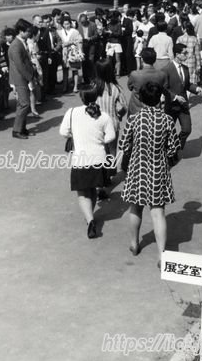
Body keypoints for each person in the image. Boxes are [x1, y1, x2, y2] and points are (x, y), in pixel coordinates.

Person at [118, 82, 181, 263]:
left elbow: (124, 145)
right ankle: (162, 254)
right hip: (159, 168)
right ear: (159, 98)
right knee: (158, 212)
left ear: (142, 99)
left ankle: (134, 243)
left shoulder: (134, 119)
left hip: (137, 168)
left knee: (135, 208)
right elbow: (173, 149)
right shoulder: (167, 120)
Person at [60, 84, 116, 239]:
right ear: (96, 96)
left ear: (81, 97)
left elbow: (63, 132)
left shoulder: (71, 112)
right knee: (92, 188)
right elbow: (111, 136)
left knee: (83, 192)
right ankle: (90, 216)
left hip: (80, 159)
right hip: (99, 158)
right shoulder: (104, 116)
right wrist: (99, 141)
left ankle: (90, 220)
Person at [163, 42, 202, 150]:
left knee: (187, 129)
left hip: (183, 106)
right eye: (184, 53)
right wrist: (175, 97)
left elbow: (187, 85)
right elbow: (164, 88)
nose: (187, 55)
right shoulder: (166, 69)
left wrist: (196, 89)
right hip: (171, 106)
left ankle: (176, 147)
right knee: (167, 132)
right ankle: (167, 152)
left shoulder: (185, 69)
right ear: (177, 54)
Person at [94, 57, 127, 194]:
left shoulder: (93, 86)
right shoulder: (116, 88)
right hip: (112, 124)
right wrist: (119, 115)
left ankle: (100, 178)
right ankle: (109, 174)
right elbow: (123, 107)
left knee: (98, 151)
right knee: (111, 151)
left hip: (96, 125)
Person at [127, 48, 168, 116]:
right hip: (155, 109)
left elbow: (130, 87)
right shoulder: (162, 75)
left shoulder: (135, 74)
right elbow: (164, 88)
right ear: (155, 59)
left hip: (136, 108)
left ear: (142, 59)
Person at [58, 17, 84, 93]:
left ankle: (75, 86)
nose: (67, 25)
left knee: (75, 70)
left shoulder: (75, 31)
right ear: (62, 25)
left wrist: (72, 44)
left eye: (68, 23)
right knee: (65, 70)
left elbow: (80, 41)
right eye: (65, 24)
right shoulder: (60, 32)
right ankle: (65, 86)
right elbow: (59, 42)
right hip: (64, 53)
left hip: (73, 52)